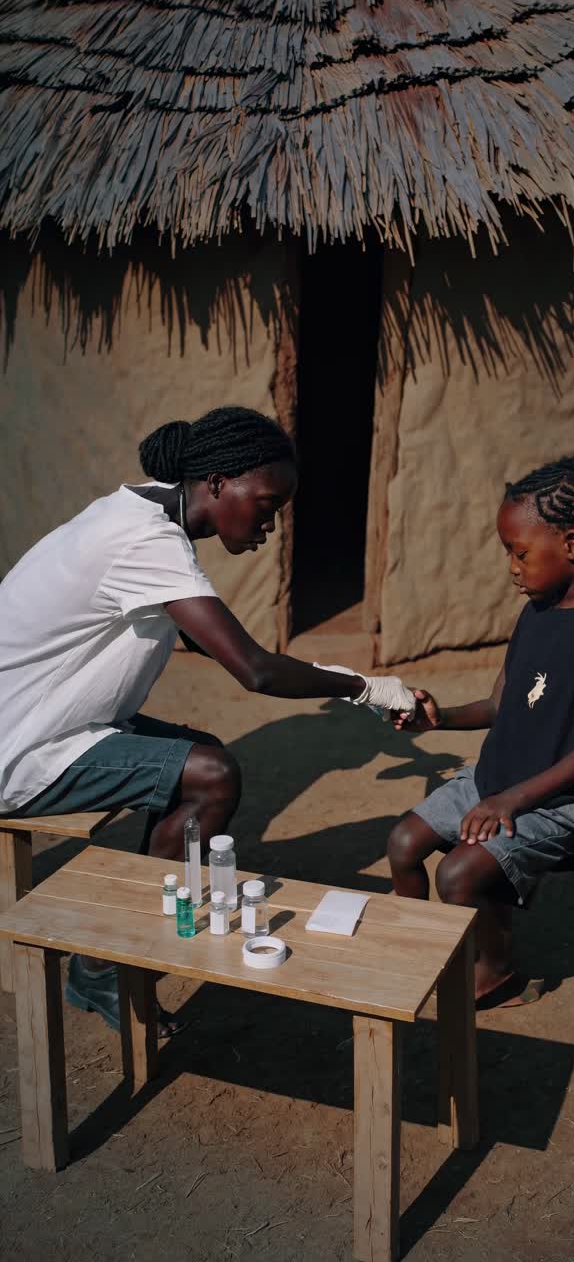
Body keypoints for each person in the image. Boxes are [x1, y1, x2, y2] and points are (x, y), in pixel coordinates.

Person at [0, 405, 416, 1032]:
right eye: (266, 504)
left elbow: (217, 643)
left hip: (41, 720)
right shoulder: (147, 541)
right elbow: (256, 671)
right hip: (19, 746)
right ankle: (106, 970)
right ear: (219, 481)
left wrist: (320, 672)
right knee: (211, 776)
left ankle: (108, 956)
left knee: (202, 761)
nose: (270, 525)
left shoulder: (132, 512)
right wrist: (367, 686)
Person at [387, 456, 574, 1008]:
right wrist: (440, 716)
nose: (512, 567)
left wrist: (510, 800)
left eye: (519, 551)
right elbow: (500, 703)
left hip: (559, 803)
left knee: (458, 874)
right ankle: (410, 952)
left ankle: (496, 972)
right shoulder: (534, 612)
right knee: (404, 843)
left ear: (572, 544)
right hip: (496, 781)